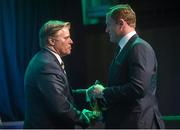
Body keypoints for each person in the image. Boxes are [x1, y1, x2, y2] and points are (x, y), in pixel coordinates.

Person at [87, 4, 165, 128]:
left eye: (108, 24)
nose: (106, 30)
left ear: (121, 23)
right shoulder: (125, 48)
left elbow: (138, 88)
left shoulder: (139, 47)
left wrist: (104, 92)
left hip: (138, 124)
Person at [24, 20, 99, 129]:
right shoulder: (46, 65)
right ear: (51, 41)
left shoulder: (47, 60)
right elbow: (60, 107)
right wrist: (84, 118)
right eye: (66, 38)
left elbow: (61, 94)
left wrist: (87, 93)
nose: (71, 41)